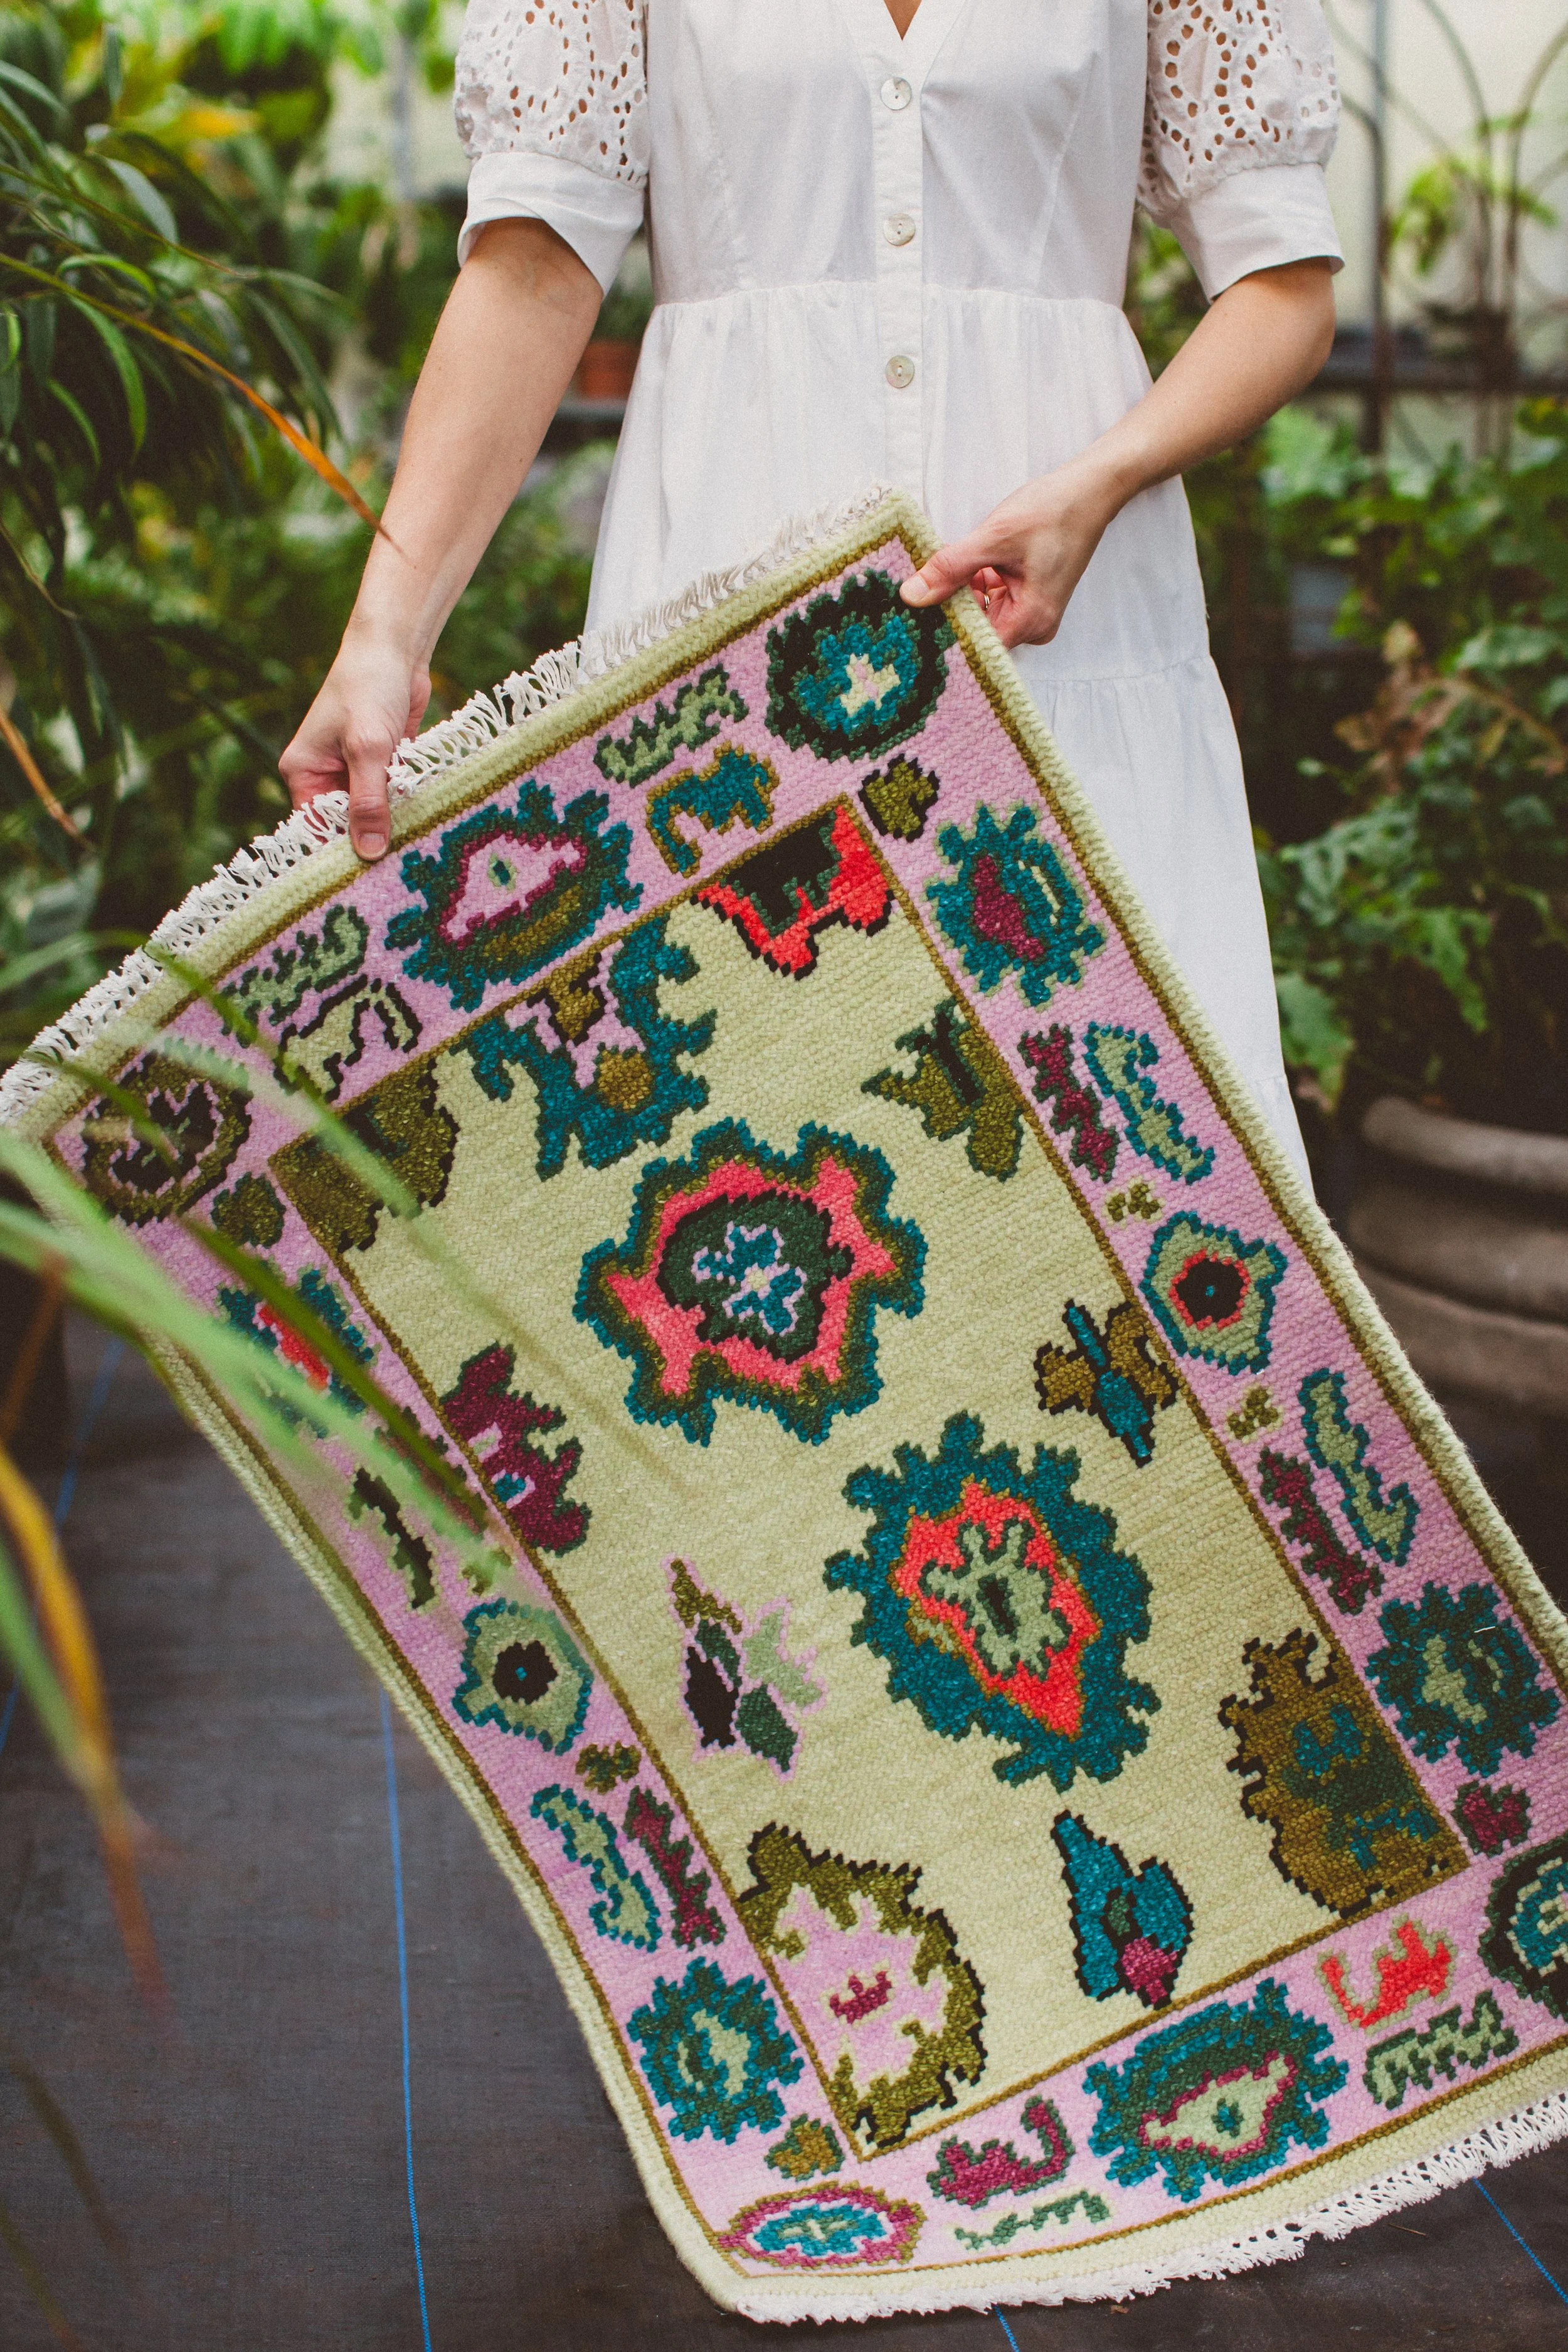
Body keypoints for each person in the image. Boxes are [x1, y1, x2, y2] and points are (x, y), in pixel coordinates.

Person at [280, 0, 1342, 1182]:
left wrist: (1099, 482)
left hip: (1067, 642)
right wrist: (385, 635)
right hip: (719, 680)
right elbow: (532, 269)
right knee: (719, 1186)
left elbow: (1284, 281)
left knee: (1127, 1180)